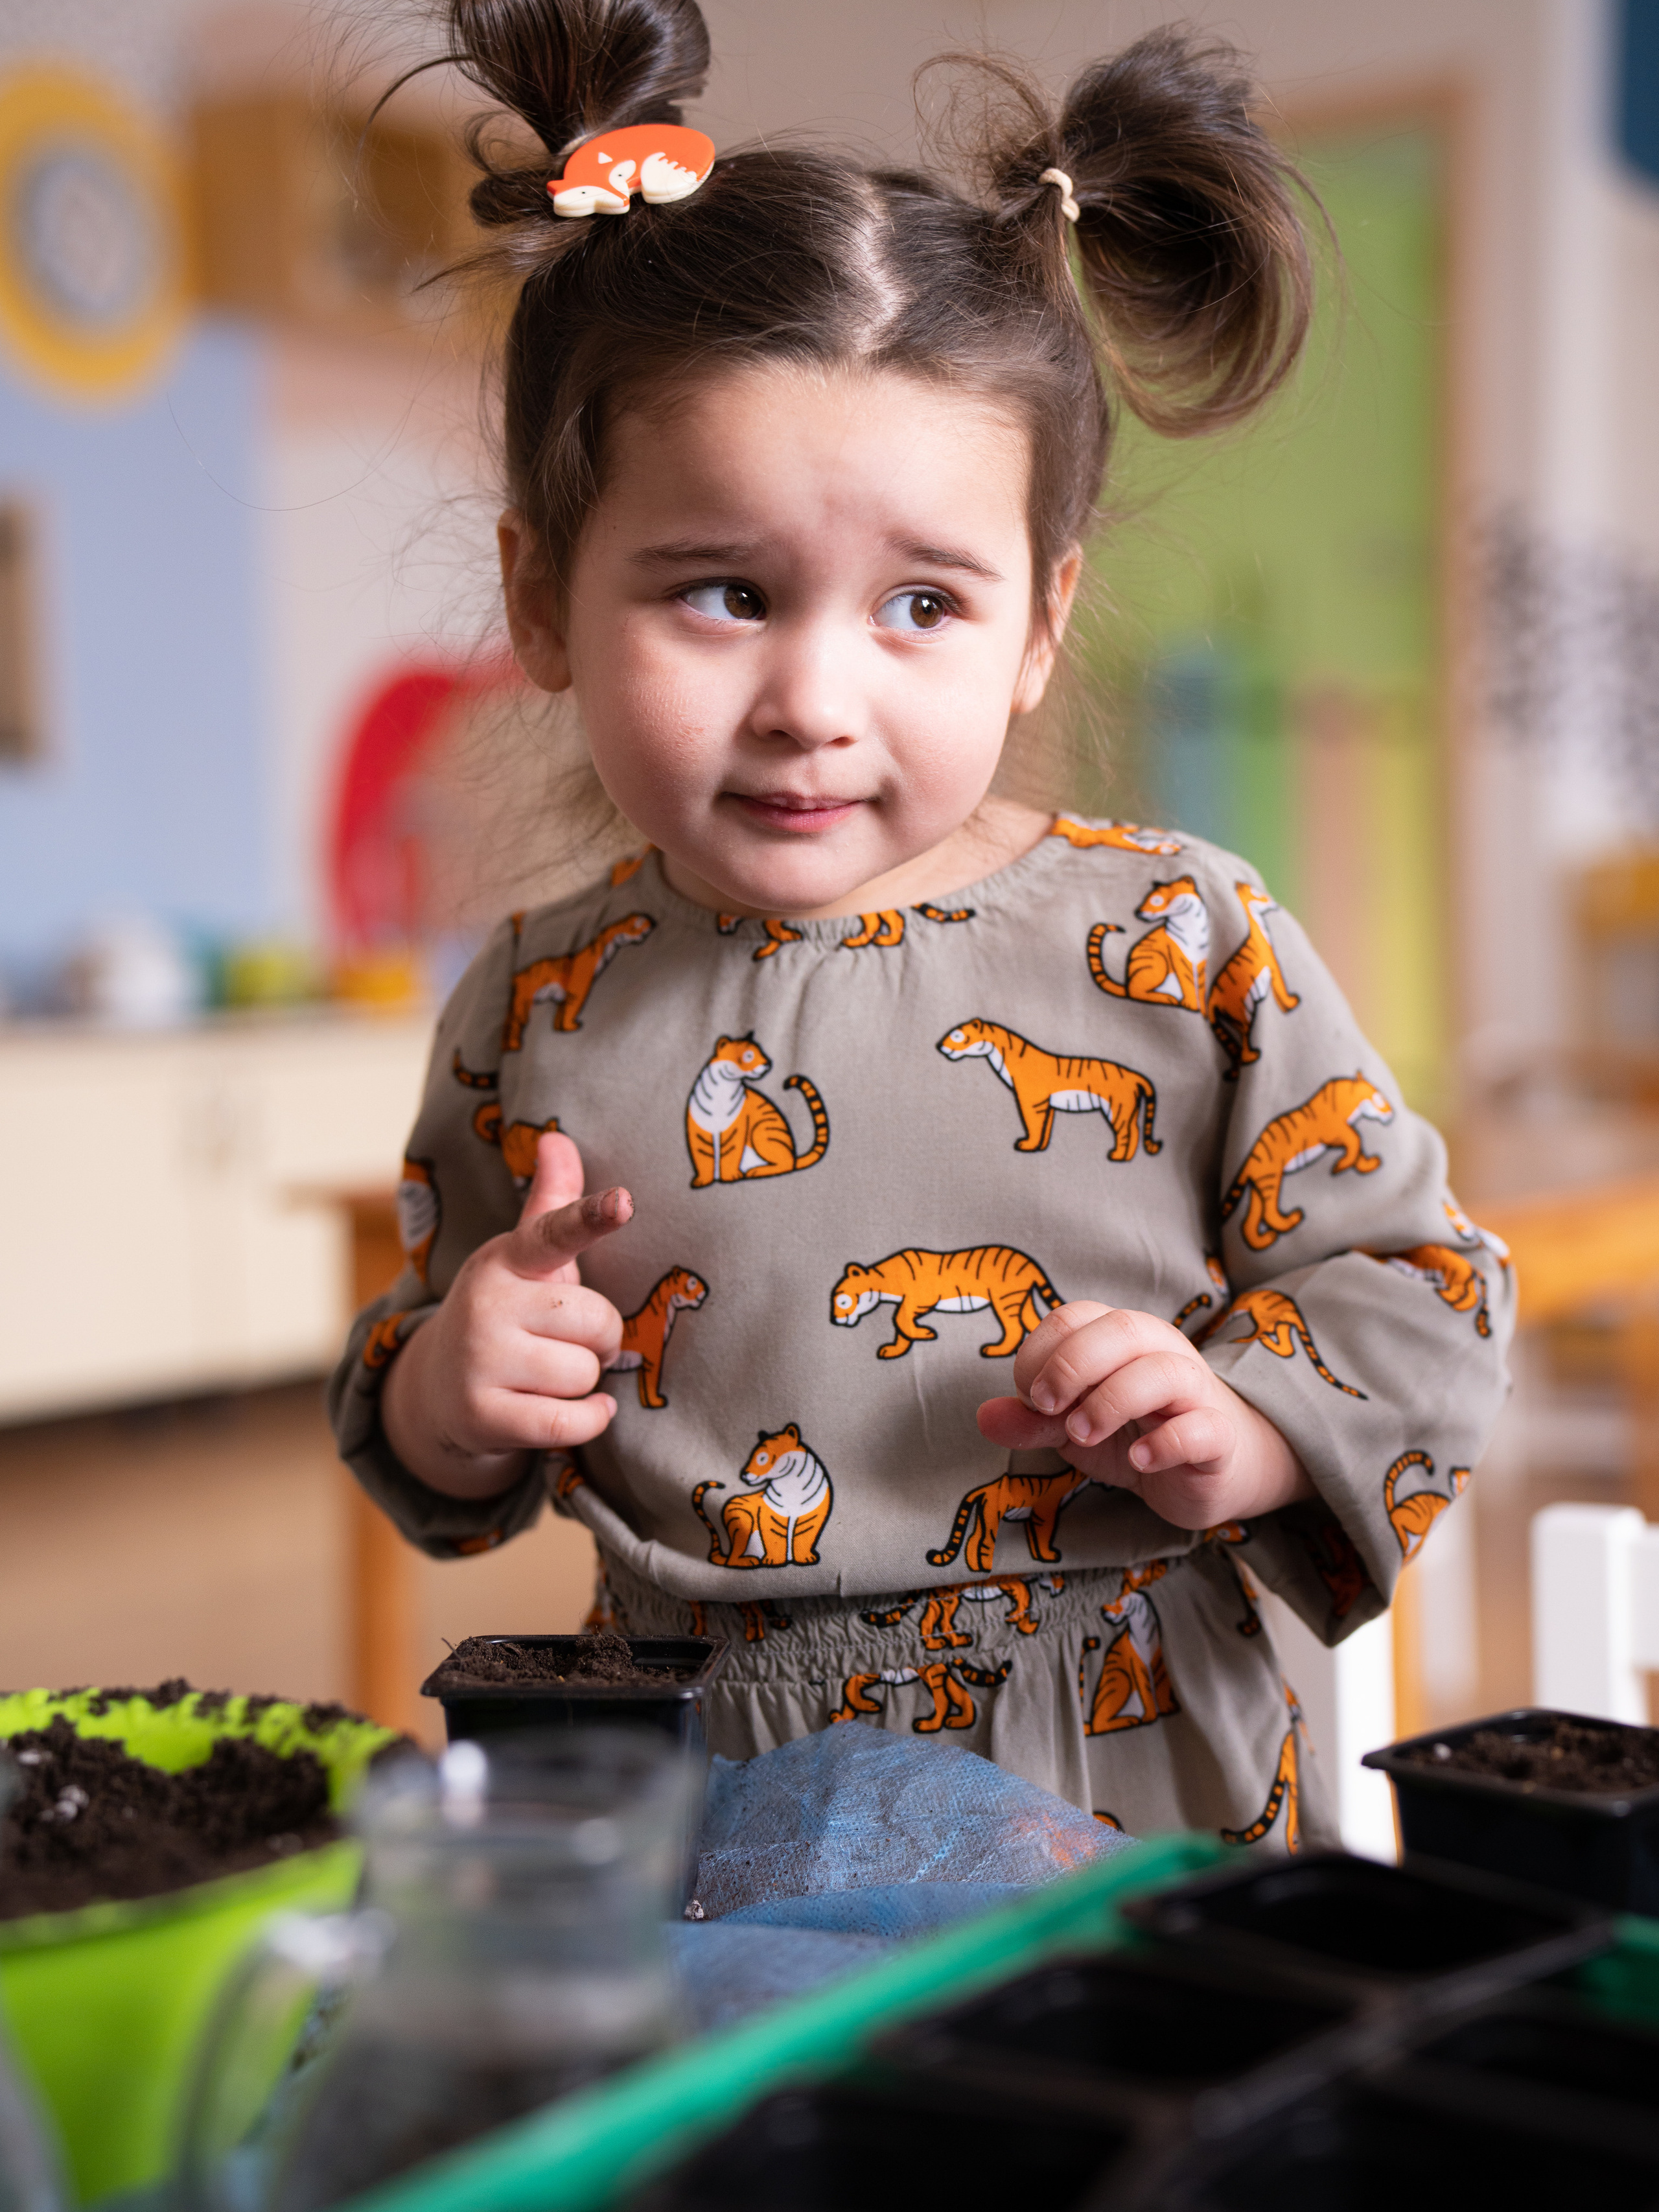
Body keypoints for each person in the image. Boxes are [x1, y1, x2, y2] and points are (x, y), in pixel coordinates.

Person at [330, 0, 1514, 1851]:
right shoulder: (538, 995)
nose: (814, 695)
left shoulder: (1182, 943)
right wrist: (453, 1384)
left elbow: (1419, 1284)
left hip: (1109, 1765)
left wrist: (1251, 1424)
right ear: (543, 596)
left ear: (1040, 623)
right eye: (725, 592)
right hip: (691, 1784)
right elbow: (428, 1414)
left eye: (920, 608)